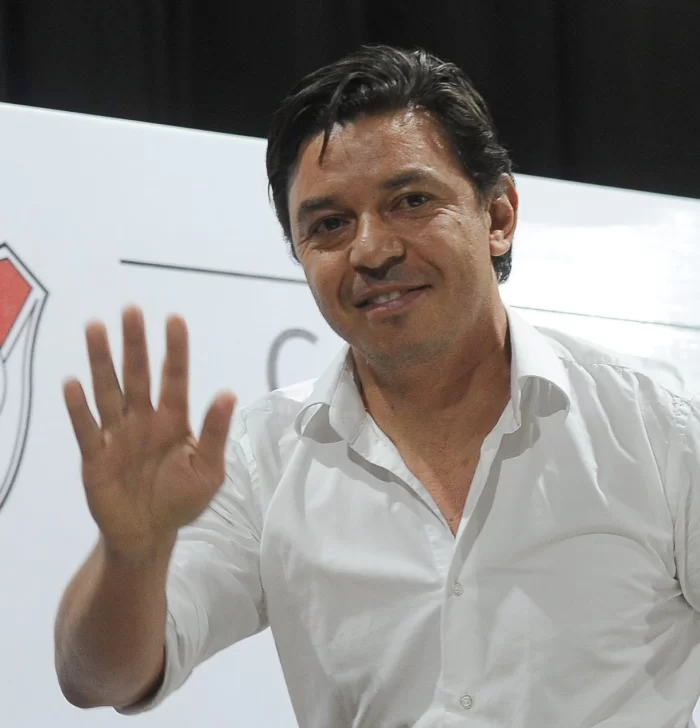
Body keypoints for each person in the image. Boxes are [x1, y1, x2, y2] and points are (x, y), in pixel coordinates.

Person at [54, 44, 700, 728]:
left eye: (411, 202)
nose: (371, 250)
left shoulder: (658, 433)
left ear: (499, 217)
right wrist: (132, 551)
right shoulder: (260, 458)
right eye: (329, 224)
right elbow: (100, 679)